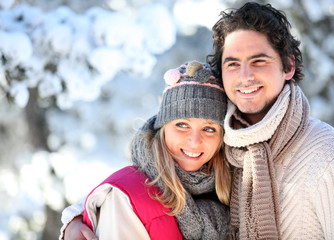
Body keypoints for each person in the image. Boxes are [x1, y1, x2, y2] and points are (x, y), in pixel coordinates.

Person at [206, 2, 334, 239]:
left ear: (288, 66)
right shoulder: (217, 152)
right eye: (233, 64)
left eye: (259, 61)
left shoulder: (331, 158)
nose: (245, 76)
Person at [59, 61, 232, 240]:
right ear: (163, 127)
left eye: (209, 129)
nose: (195, 141)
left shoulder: (230, 188)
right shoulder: (125, 197)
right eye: (182, 124)